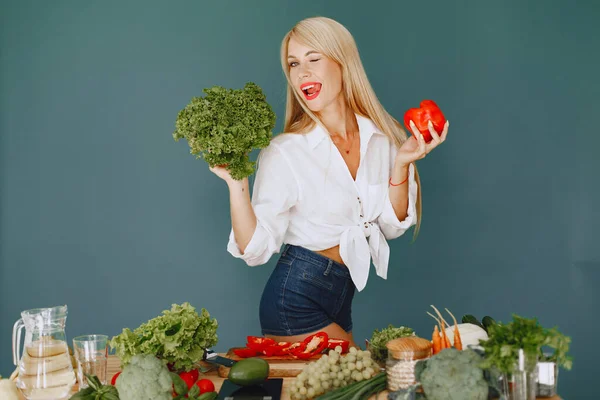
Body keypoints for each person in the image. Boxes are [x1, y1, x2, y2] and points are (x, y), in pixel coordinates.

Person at [210, 16, 449, 349]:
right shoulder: (286, 151)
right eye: (294, 64)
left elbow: (391, 227)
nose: (302, 72)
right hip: (294, 298)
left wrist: (401, 164)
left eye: (313, 59)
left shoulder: (382, 138)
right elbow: (256, 249)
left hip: (340, 298)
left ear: (343, 62)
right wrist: (237, 183)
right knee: (359, 382)